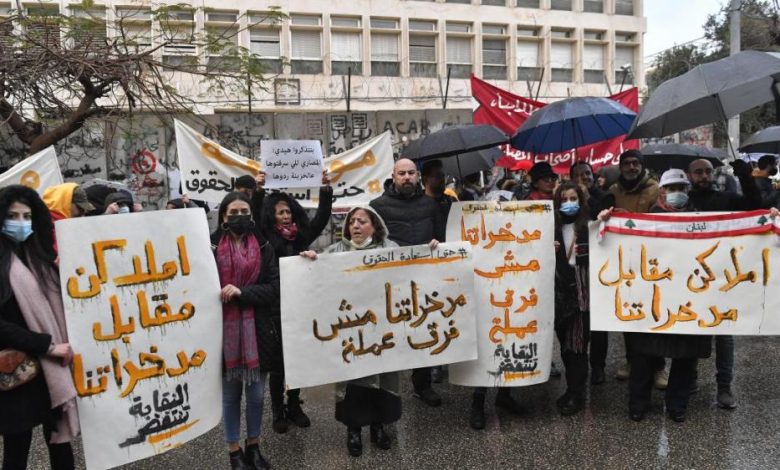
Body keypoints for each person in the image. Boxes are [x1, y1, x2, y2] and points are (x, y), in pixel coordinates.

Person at [300, 206, 400, 457]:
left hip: (382, 333)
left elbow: (414, 271)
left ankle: (378, 427)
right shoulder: (335, 252)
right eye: (352, 221)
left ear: (375, 226)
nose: (355, 225)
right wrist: (310, 261)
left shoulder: (390, 250)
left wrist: (432, 251)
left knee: (381, 381)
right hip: (350, 333)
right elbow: (318, 276)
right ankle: (353, 431)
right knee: (354, 384)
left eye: (362, 221)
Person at [617, 169, 712, 422]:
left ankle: (677, 404)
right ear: (662, 192)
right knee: (644, 356)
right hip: (654, 299)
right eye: (672, 189)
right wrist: (607, 219)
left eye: (681, 188)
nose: (677, 193)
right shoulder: (648, 221)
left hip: (688, 300)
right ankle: (638, 403)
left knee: (686, 357)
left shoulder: (703, 220)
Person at [0, 185, 79, 470]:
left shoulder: (40, 257)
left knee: (60, 442)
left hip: (51, 371)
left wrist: (64, 273)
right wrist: (47, 345)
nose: (20, 222)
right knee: (17, 448)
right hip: (18, 372)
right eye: (12, 216)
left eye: (26, 216)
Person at [686, 157, 763, 410]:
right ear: (689, 175)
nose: (704, 176)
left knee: (724, 335)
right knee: (691, 330)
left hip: (723, 277)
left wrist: (746, 177)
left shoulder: (727, 199)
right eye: (698, 172)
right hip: (691, 278)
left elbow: (755, 207)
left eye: (708, 171)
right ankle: (689, 378)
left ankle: (724, 386)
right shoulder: (683, 203)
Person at [258, 172, 332, 433]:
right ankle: (278, 410)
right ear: (271, 216)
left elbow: (320, 219)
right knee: (278, 365)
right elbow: (255, 214)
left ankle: (294, 405)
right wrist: (258, 191)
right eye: (280, 212)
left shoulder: (300, 236)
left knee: (296, 360)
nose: (286, 216)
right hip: (274, 309)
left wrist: (325, 190)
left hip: (298, 306)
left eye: (288, 211)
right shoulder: (265, 238)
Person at [212, 192, 279, 470]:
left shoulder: (264, 246)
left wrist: (242, 292)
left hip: (258, 331)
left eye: (244, 212)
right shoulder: (209, 246)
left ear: (251, 215)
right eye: (233, 212)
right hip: (222, 334)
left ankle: (253, 446)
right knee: (230, 396)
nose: (239, 217)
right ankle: (234, 452)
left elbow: (273, 288)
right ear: (223, 216)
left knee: (256, 396)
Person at [370, 158, 443, 406]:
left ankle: (423, 385)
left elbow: (442, 235)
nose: (407, 177)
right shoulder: (377, 206)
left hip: (425, 277)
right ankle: (387, 388)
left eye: (411, 173)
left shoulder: (430, 204)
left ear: (418, 176)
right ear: (393, 176)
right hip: (392, 280)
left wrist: (438, 244)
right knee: (392, 331)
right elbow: (372, 243)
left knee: (423, 328)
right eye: (402, 173)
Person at [603, 150, 664, 386]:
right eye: (627, 163)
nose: (631, 167)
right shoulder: (613, 191)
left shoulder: (655, 189)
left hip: (652, 261)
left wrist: (633, 220)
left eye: (636, 163)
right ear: (620, 167)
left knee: (655, 314)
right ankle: (631, 361)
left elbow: (662, 221)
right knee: (629, 313)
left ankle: (658, 367)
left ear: (642, 166)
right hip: (625, 262)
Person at [552, 182, 592, 416]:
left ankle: (577, 394)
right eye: (564, 199)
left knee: (577, 347)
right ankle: (572, 389)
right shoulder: (553, 229)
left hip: (582, 298)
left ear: (581, 200)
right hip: (560, 298)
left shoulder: (589, 226)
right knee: (566, 348)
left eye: (573, 199)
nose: (569, 203)